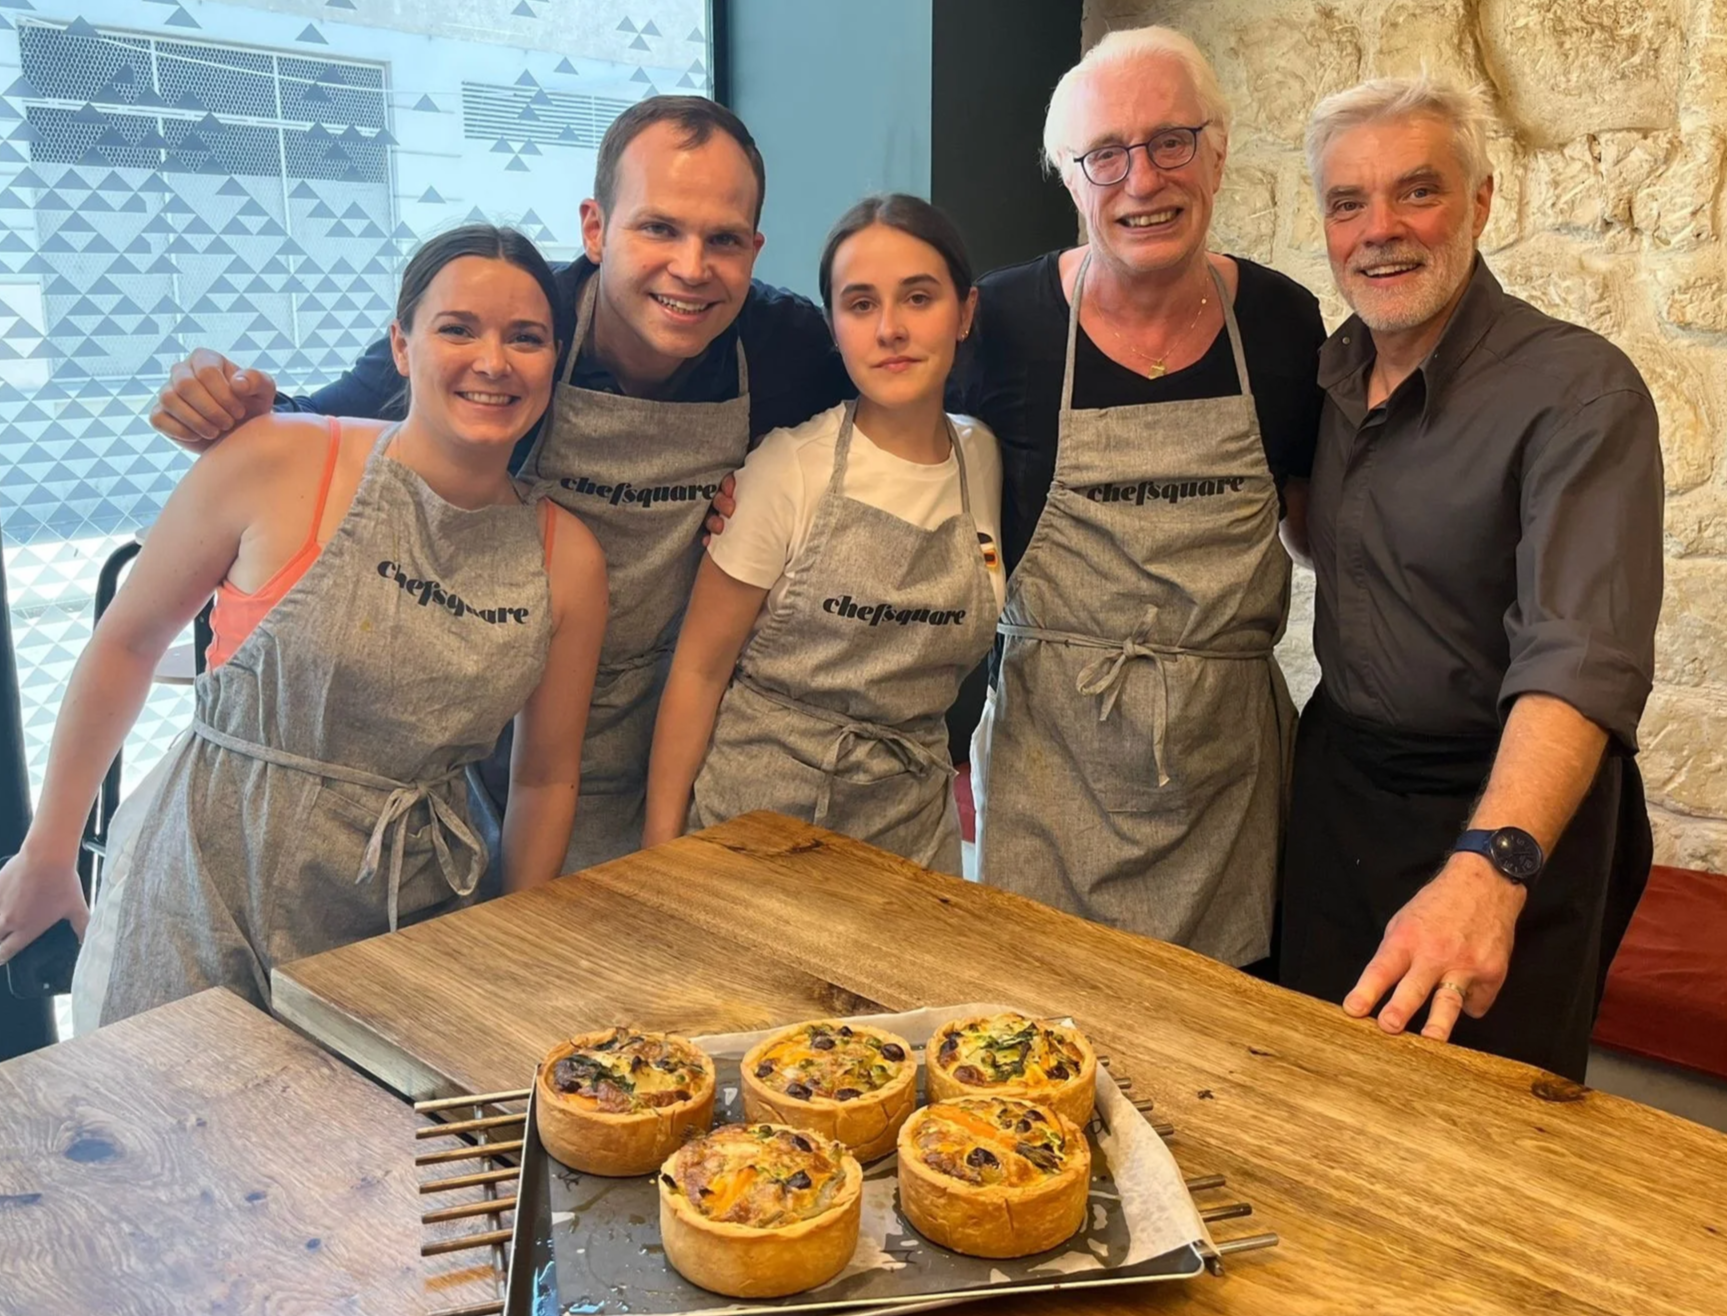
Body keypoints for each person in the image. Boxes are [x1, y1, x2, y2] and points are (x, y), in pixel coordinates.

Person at [146, 97, 851, 872]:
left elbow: (862, 465)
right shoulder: (510, 327)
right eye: (658, 227)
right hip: (478, 743)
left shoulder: (788, 348)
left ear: (753, 249)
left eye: (721, 240)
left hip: (672, 745)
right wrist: (225, 401)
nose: (690, 267)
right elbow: (327, 430)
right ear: (595, 227)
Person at [0, 224, 608, 1027]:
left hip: (404, 912)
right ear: (401, 345)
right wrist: (50, 849)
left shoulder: (567, 559)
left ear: (551, 364)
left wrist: (508, 945)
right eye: (457, 328)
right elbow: (126, 643)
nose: (492, 362)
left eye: (524, 339)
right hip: (201, 880)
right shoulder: (277, 459)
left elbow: (543, 779)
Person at [1278, 76, 1663, 1082]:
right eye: (1347, 201)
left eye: (1418, 192)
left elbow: (1579, 657)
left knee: (1480, 1142)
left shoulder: (1578, 391)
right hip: (1344, 790)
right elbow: (1344, 543)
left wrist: (1493, 865)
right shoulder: (1326, 373)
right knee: (1317, 1091)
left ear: (1482, 201)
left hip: (1509, 806)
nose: (1380, 230)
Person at [956, 26, 1325, 965]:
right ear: (1067, 178)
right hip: (1053, 766)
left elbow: (1322, 524)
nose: (1142, 181)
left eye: (1171, 142)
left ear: (1219, 151)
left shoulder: (1283, 324)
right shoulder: (999, 325)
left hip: (1228, 782)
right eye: (1104, 156)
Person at [646, 195, 1002, 873]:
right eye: (861, 304)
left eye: (918, 298)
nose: (890, 329)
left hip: (910, 837)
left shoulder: (983, 459)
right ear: (834, 329)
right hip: (755, 832)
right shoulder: (787, 467)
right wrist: (660, 859)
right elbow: (697, 673)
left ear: (964, 314)